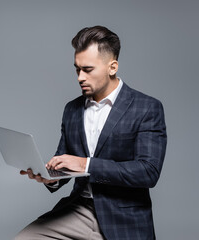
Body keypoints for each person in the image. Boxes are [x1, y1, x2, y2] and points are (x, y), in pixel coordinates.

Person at [15, 26, 167, 240]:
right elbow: (65, 161)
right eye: (77, 69)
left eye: (88, 69)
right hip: (79, 209)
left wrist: (86, 164)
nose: (80, 77)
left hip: (123, 216)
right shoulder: (72, 109)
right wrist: (51, 177)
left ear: (112, 67)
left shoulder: (146, 108)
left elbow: (148, 172)